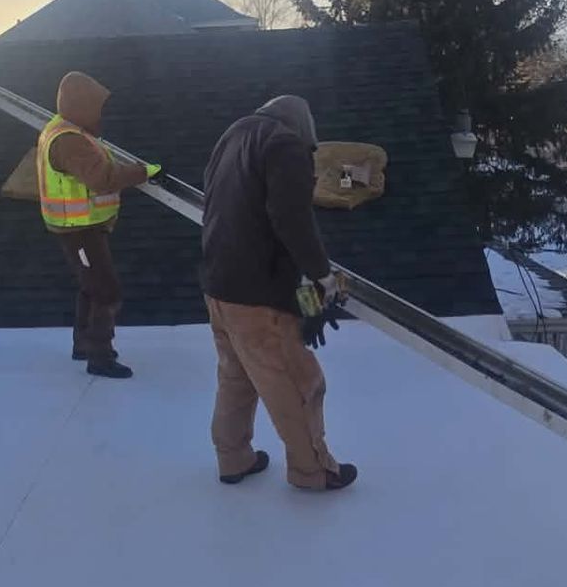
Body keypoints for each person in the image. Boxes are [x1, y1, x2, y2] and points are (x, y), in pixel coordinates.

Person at [198, 95, 356, 491]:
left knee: (237, 376)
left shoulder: (233, 136)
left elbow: (244, 214)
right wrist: (322, 279)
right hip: (256, 296)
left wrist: (303, 299)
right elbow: (291, 221)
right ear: (303, 129)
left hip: (218, 288)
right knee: (300, 381)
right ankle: (313, 471)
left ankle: (232, 457)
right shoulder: (285, 145)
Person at [36, 71, 161, 379]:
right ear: (81, 105)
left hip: (82, 227)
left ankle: (84, 345)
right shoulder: (68, 141)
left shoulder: (66, 130)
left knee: (91, 286)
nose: (100, 114)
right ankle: (100, 358)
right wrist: (144, 172)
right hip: (77, 231)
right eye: (96, 107)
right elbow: (102, 179)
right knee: (106, 291)